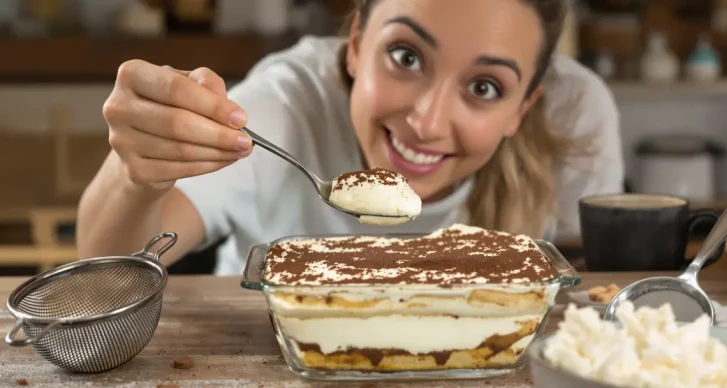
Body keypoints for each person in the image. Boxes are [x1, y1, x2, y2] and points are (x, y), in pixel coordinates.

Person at [77, 0, 624, 275]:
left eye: (484, 87)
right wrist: (134, 178)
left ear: (522, 108)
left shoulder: (575, 116)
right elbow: (109, 266)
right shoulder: (282, 106)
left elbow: (587, 297)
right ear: (357, 43)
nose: (428, 123)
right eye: (406, 57)